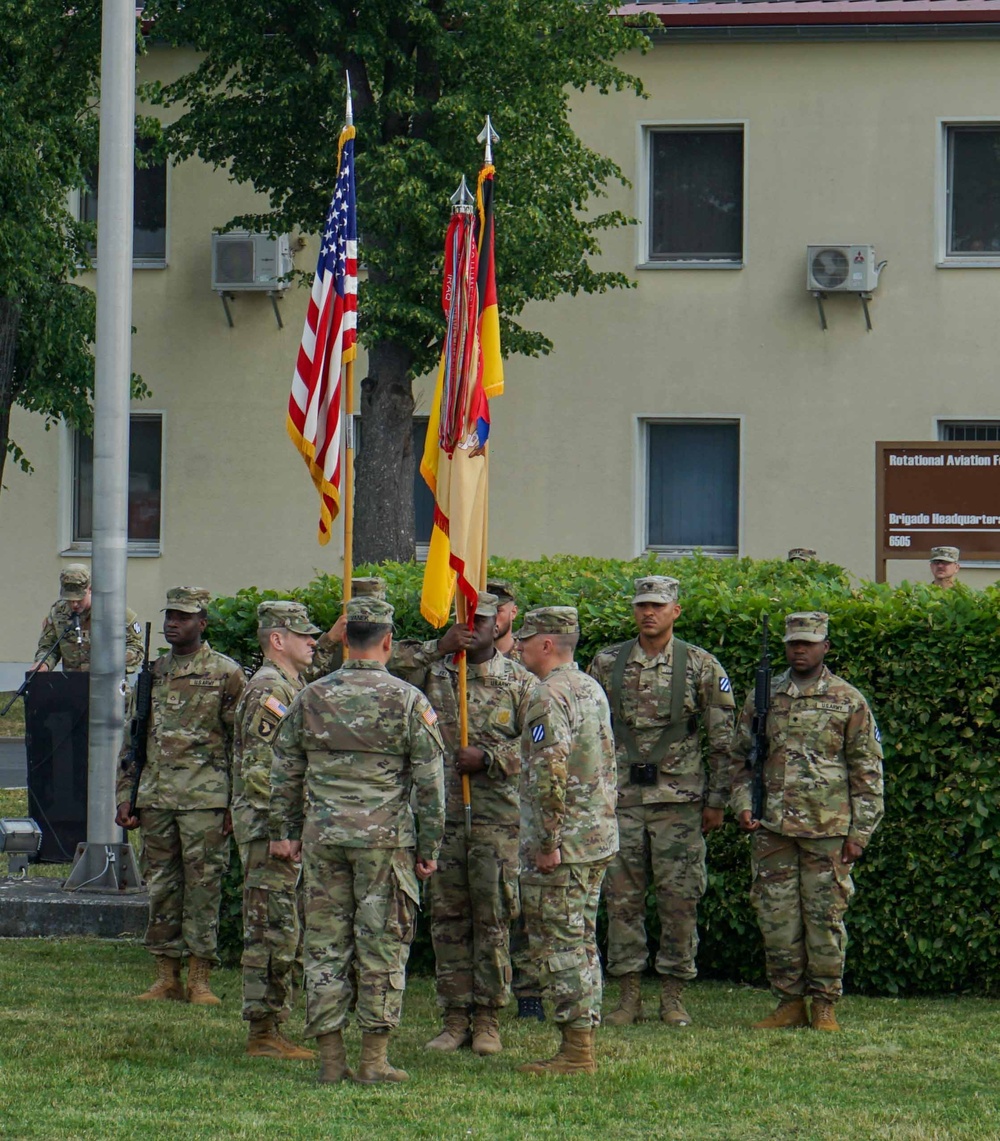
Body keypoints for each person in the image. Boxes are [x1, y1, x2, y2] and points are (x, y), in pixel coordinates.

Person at [268, 597, 446, 1085]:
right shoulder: (409, 700)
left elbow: (284, 770)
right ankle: (373, 1060)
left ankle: (330, 1060)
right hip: (384, 843)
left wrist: (284, 833)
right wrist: (429, 847)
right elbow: (432, 783)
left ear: (345, 639)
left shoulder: (310, 697)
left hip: (323, 838)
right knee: (383, 943)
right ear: (388, 641)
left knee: (324, 945)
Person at [589, 576, 735, 1028]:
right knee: (621, 900)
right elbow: (590, 731)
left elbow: (724, 739)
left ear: (676, 611)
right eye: (641, 605)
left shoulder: (701, 665)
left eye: (658, 605)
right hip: (622, 801)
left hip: (680, 802)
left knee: (680, 899)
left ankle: (672, 996)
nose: (648, 612)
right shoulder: (607, 663)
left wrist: (717, 800)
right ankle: (627, 995)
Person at [393, 592, 534, 1057]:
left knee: (492, 916)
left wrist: (491, 759)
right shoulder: (433, 674)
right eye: (466, 618)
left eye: (484, 619)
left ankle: (488, 1017)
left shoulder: (519, 682)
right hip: (442, 816)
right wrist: (438, 646)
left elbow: (544, 746)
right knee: (449, 919)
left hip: (496, 818)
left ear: (501, 624)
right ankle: (454, 1017)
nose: (474, 627)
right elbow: (376, 660)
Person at [731, 611, 884, 1032]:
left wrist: (861, 832)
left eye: (809, 642)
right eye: (794, 642)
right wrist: (743, 804)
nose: (800, 649)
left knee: (825, 920)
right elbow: (740, 760)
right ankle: (788, 1003)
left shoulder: (847, 700)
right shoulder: (764, 698)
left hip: (828, 830)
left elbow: (867, 771)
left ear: (825, 647)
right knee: (776, 919)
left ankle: (824, 1004)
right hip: (773, 829)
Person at [115, 586, 246, 1004]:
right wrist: (126, 794)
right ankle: (166, 976)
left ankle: (200, 978)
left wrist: (235, 802)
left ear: (202, 623)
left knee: (204, 888)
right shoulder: (152, 673)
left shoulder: (226, 673)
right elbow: (135, 738)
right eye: (169, 615)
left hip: (205, 800)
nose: (173, 622)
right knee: (161, 888)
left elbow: (241, 743)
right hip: (156, 798)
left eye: (184, 616)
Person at [515, 606, 618, 1076]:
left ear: (547, 644)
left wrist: (547, 840)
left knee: (559, 944)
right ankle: (582, 1039)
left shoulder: (548, 695)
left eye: (525, 639)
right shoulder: (589, 687)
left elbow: (549, 773)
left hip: (565, 845)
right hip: (594, 836)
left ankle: (576, 1051)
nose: (517, 647)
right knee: (580, 940)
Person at [231, 600, 322, 1060]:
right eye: (303, 634)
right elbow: (260, 768)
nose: (314, 641)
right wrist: (281, 830)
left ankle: (272, 1025)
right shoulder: (272, 689)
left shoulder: (290, 685)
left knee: (283, 927)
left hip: (279, 828)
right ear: (277, 640)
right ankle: (263, 1032)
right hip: (272, 832)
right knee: (271, 930)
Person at [33, 563, 143, 674]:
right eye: (69, 600)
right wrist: (44, 663)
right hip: (73, 683)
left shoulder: (115, 613)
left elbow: (136, 649)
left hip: (108, 684)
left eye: (79, 599)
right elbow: (49, 646)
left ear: (90, 589)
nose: (74, 604)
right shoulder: (58, 612)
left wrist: (112, 662)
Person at [487, 577, 521, 661]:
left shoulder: (527, 656)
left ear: (513, 612)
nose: (491, 617)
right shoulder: (467, 656)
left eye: (498, 610)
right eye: (485, 611)